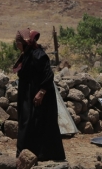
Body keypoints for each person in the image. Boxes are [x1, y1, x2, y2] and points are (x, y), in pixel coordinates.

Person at [13, 28, 66, 161]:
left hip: (41, 96)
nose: (17, 45)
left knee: (43, 123)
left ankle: (46, 155)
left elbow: (48, 75)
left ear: (23, 43)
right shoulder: (26, 55)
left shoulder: (39, 55)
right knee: (27, 122)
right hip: (28, 95)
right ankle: (26, 154)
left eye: (18, 42)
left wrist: (41, 92)